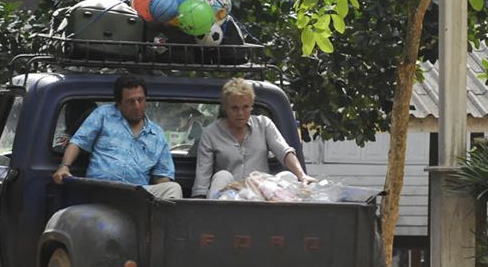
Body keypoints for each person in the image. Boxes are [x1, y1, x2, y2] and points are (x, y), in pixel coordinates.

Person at [53, 75, 183, 199]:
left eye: (140, 100)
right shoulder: (103, 115)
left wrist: (160, 199)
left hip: (137, 194)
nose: (137, 106)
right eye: (130, 102)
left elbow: (162, 176)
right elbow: (78, 142)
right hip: (102, 188)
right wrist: (64, 167)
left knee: (173, 188)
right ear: (119, 103)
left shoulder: (157, 134)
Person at [192, 77, 313, 198]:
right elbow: (202, 180)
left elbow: (284, 151)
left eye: (245, 107)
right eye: (234, 108)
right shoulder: (211, 133)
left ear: (251, 106)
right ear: (225, 108)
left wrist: (302, 175)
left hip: (259, 194)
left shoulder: (264, 124)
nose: (240, 113)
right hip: (228, 197)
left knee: (287, 176)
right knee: (222, 175)